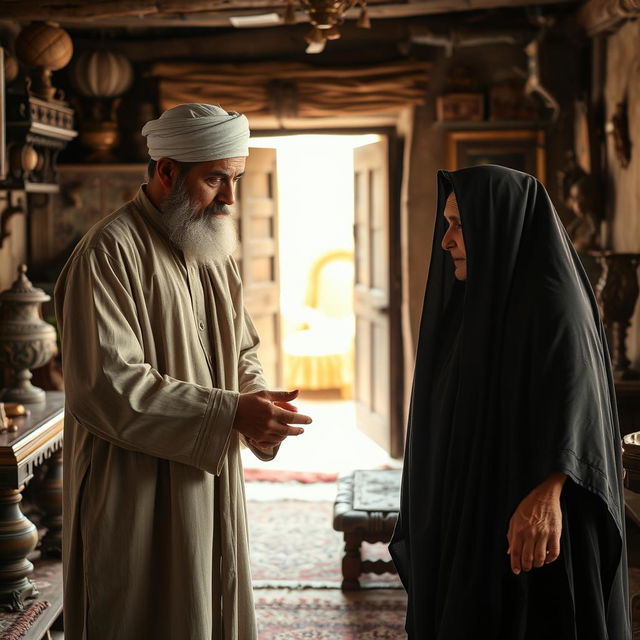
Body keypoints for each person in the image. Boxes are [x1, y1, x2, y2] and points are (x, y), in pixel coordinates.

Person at [55, 103, 312, 640]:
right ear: (167, 171)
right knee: (140, 610)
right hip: (133, 487)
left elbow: (242, 347)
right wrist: (229, 412)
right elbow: (106, 385)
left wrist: (258, 401)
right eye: (216, 178)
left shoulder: (211, 245)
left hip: (208, 473)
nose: (231, 198)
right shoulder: (109, 252)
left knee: (210, 601)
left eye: (235, 177)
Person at [389, 164, 630, 639]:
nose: (447, 241)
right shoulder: (479, 298)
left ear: (498, 222)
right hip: (482, 504)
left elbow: (577, 409)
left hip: (535, 523)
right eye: (447, 224)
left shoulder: (554, 305)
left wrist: (547, 495)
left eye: (459, 225)